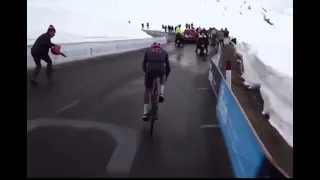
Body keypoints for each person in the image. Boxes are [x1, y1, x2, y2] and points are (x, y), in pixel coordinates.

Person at [142, 42, 171, 121]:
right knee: (162, 75)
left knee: (148, 90)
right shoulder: (164, 52)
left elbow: (144, 65)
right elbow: (168, 67)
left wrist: (146, 73)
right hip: (160, 70)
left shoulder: (148, 51)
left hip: (150, 70)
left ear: (152, 47)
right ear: (160, 47)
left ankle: (145, 113)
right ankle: (161, 94)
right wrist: (166, 76)